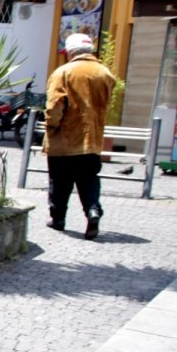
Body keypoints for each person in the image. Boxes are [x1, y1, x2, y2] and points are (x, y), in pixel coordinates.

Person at [43, 33, 116, 239]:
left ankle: (58, 218)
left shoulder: (63, 72)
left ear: (70, 52)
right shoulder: (105, 73)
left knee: (59, 181)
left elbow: (55, 105)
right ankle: (92, 210)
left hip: (65, 139)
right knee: (89, 178)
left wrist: (51, 125)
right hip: (92, 139)